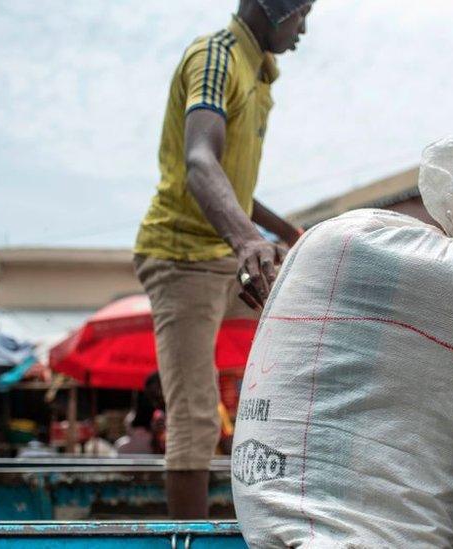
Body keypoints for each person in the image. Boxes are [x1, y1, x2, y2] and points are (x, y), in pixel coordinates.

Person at [133, 0, 312, 518]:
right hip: (180, 255)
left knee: (308, 329)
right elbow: (199, 162)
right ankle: (187, 534)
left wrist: (289, 233)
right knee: (195, 414)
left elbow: (234, 190)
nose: (304, 29)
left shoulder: (258, 76)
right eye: (302, 13)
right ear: (272, 7)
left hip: (221, 249)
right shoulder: (216, 57)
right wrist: (248, 241)